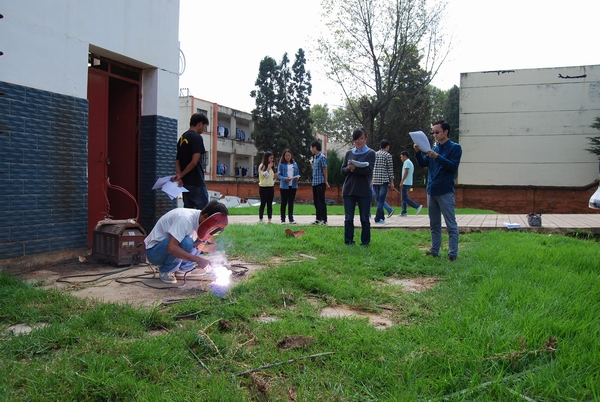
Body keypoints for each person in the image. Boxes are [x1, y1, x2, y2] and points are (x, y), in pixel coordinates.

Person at [144, 200, 229, 284]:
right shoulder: (185, 219)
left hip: (169, 248)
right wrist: (198, 259)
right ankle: (167, 270)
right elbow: (172, 248)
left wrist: (203, 247)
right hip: (155, 252)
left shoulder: (203, 222)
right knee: (187, 242)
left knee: (197, 240)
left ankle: (185, 268)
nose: (212, 230)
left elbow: (213, 246)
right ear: (206, 216)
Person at [414, 120, 462, 261]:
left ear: (446, 132)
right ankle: (434, 251)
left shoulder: (455, 148)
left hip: (445, 191)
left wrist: (437, 157)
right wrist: (417, 152)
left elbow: (452, 166)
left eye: (437, 132)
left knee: (451, 224)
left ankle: (453, 254)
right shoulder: (434, 149)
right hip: (432, 190)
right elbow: (423, 163)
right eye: (433, 132)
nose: (435, 135)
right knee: (434, 224)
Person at [341, 128, 377, 246]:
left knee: (365, 218)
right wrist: (349, 168)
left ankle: (365, 242)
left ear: (366, 139)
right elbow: (343, 171)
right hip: (349, 190)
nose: (359, 141)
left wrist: (355, 169)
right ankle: (348, 241)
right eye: (356, 139)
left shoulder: (371, 153)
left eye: (361, 138)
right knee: (348, 218)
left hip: (364, 190)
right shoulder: (349, 153)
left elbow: (368, 171)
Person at [173, 113, 209, 209]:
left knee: (189, 212)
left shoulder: (182, 138)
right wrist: (181, 175)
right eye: (204, 126)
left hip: (185, 184)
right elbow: (194, 162)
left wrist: (180, 177)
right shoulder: (197, 138)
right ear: (200, 124)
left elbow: (177, 161)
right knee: (205, 211)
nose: (204, 129)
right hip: (196, 181)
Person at [372, 139, 395, 223]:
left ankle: (382, 216)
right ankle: (377, 217)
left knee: (378, 200)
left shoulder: (375, 154)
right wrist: (392, 181)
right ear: (387, 147)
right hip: (384, 180)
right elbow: (390, 169)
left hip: (375, 180)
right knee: (381, 200)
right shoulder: (388, 155)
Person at [278, 149, 300, 224]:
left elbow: (297, 173)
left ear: (291, 156)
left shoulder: (295, 164)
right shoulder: (281, 164)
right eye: (286, 155)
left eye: (289, 155)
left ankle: (291, 219)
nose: (288, 157)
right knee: (284, 202)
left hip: (293, 186)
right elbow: (279, 175)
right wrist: (285, 179)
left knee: (291, 202)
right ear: (284, 156)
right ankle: (283, 219)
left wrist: (297, 178)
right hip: (284, 186)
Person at [310, 140, 329, 225]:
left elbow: (325, 169)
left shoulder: (322, 157)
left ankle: (324, 219)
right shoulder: (315, 157)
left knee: (321, 201)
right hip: (314, 182)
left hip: (320, 182)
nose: (310, 149)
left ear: (315, 147)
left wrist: (326, 181)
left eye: (311, 147)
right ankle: (318, 218)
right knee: (316, 202)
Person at [399, 151, 423, 217]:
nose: (401, 158)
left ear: (405, 156)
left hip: (406, 182)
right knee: (403, 197)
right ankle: (404, 212)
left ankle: (417, 206)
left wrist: (402, 181)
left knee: (404, 198)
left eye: (401, 157)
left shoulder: (407, 162)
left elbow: (406, 172)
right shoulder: (409, 162)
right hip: (408, 182)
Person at [258, 151, 278, 224]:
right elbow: (264, 175)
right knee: (263, 203)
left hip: (270, 187)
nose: (272, 160)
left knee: (270, 204)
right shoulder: (262, 166)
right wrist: (268, 168)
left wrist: (275, 177)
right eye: (270, 158)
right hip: (263, 187)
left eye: (273, 158)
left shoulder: (272, 167)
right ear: (266, 158)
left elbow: (272, 179)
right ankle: (261, 219)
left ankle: (269, 219)